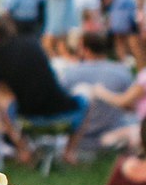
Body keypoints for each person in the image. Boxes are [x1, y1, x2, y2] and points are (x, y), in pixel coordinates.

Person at [0, 15, 84, 169]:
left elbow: (3, 94)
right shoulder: (31, 42)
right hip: (62, 113)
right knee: (86, 97)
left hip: (26, 119)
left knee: (0, 103)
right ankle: (69, 152)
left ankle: (23, 150)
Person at [55, 30, 135, 161]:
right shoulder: (122, 71)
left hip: (79, 137)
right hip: (112, 133)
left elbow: (61, 104)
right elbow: (131, 106)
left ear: (84, 49)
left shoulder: (70, 73)